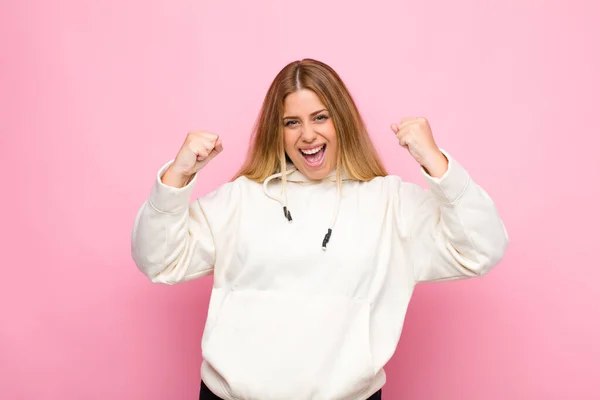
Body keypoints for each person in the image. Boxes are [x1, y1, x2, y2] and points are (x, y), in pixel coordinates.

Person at [130, 58, 509, 400]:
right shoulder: (240, 199)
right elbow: (159, 260)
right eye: (291, 122)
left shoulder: (392, 205)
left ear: (342, 120)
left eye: (320, 117)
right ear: (276, 133)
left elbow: (481, 249)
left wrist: (436, 163)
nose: (307, 135)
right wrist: (178, 176)